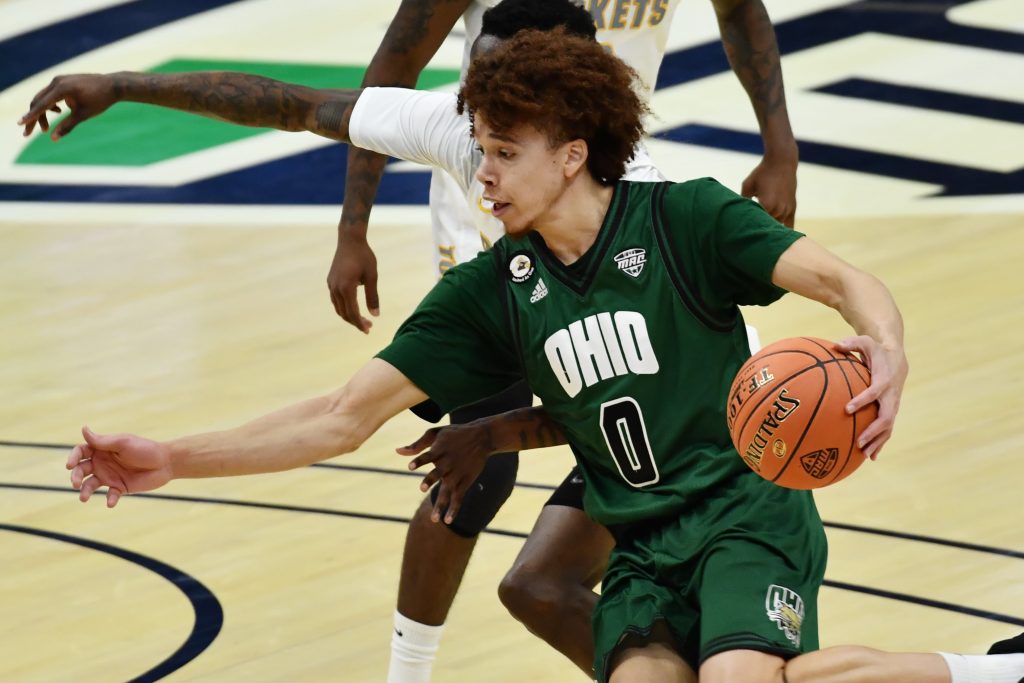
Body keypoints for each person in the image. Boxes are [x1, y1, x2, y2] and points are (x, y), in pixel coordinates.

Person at [27, 28, 1023, 683]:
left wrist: (886, 351)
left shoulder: (686, 217)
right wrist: (168, 455)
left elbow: (845, 281)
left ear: (574, 150)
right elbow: (337, 414)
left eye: (503, 151)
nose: (481, 172)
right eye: (479, 147)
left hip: (741, 509)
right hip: (639, 540)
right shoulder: (493, 291)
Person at [17, 3, 661, 676]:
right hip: (624, 437)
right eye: (478, 89)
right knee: (539, 588)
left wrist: (496, 434)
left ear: (568, 128)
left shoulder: (652, 223)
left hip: (713, 450)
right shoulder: (478, 215)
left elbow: (657, 402)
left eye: (507, 101)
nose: (480, 124)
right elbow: (291, 105)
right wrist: (172, 458)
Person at [326, 1, 797, 678]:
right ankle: (408, 671)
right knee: (476, 475)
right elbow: (387, 75)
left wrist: (779, 142)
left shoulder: (654, 202)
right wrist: (352, 229)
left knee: (545, 569)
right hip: (494, 238)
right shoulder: (465, 142)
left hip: (599, 227)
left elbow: (741, 11)